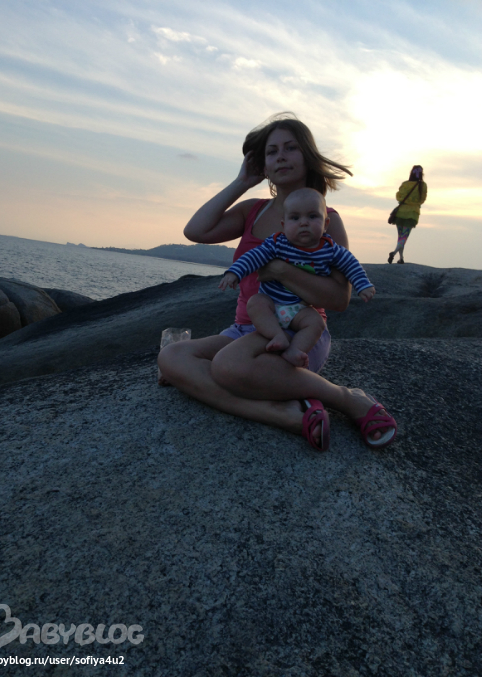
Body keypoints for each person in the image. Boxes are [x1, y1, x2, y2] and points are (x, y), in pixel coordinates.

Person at [158, 113, 397, 452]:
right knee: (172, 358)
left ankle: (346, 398)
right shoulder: (252, 212)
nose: (281, 157)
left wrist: (282, 271)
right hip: (245, 331)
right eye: (272, 152)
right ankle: (287, 414)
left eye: (290, 148)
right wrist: (243, 181)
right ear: (264, 165)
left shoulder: (326, 221)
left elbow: (339, 299)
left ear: (307, 156)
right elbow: (195, 230)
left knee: (227, 367)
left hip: (297, 334)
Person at [219, 187, 375, 369]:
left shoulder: (330, 249)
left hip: (298, 309)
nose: (304, 223)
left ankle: (295, 350)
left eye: (312, 216)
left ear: (326, 224)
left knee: (316, 322)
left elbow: (351, 265)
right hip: (271, 304)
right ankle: (277, 336)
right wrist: (234, 273)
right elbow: (253, 257)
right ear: (283, 224)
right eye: (295, 218)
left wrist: (363, 285)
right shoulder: (277, 243)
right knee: (256, 302)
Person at [388, 165, 427, 264]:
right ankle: (394, 253)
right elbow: (422, 200)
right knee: (404, 237)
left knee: (400, 237)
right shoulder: (422, 185)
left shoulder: (405, 184)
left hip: (400, 213)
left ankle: (401, 258)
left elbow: (398, 196)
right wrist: (414, 203)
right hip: (412, 214)